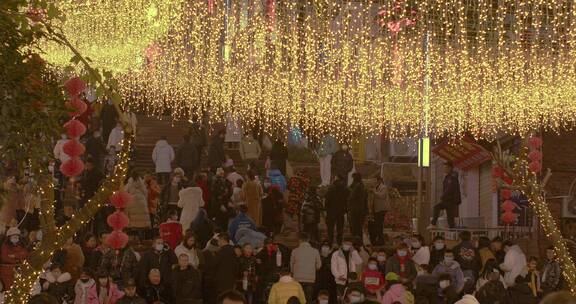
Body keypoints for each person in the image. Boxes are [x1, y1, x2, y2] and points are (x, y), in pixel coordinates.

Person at [290, 233, 322, 302]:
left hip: (297, 279)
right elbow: (319, 266)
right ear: (308, 240)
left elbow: (291, 266)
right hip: (310, 279)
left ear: (299, 240)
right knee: (308, 299)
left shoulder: (295, 251)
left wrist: (294, 272)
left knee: (298, 300)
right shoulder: (315, 251)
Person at [429, 162, 461, 229]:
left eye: (445, 168)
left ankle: (434, 223)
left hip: (450, 200)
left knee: (449, 217)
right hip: (447, 200)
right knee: (449, 218)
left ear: (450, 168)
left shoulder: (452, 177)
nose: (444, 169)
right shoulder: (448, 177)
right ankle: (434, 223)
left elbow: (450, 188)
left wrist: (443, 195)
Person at [325, 176, 349, 246]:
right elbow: (347, 200)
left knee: (330, 229)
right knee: (340, 229)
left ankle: (330, 242)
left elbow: (327, 200)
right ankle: (339, 243)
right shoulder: (344, 189)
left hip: (331, 212)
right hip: (341, 212)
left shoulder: (331, 189)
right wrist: (345, 209)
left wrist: (327, 209)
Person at [347, 173, 368, 239]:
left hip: (356, 209)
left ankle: (357, 241)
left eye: (353, 178)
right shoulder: (361, 185)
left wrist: (349, 190)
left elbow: (352, 196)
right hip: (360, 209)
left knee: (355, 226)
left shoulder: (358, 186)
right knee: (358, 227)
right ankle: (358, 241)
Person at [371, 176, 390, 246]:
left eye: (376, 181)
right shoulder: (377, 187)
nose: (375, 182)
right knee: (377, 224)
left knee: (379, 224)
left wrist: (374, 191)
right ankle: (379, 239)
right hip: (377, 208)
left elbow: (381, 196)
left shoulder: (383, 187)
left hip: (381, 209)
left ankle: (380, 240)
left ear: (379, 181)